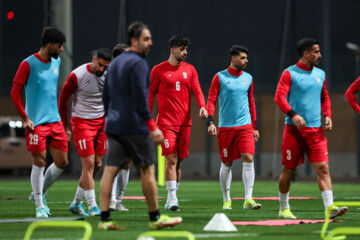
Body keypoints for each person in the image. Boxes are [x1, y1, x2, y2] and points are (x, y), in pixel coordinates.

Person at [98, 21, 182, 230]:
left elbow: (106, 96)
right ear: (134, 41)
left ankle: (104, 219)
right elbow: (140, 99)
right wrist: (151, 126)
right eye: (146, 39)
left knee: (109, 171)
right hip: (134, 126)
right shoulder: (138, 64)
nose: (150, 43)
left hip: (114, 125)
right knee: (146, 170)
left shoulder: (115, 63)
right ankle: (155, 218)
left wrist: (111, 118)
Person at [275, 38, 348, 219]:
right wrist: (294, 115)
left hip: (315, 131)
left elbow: (324, 96)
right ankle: (284, 208)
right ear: (306, 53)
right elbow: (279, 97)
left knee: (323, 168)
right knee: (288, 170)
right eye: (316, 52)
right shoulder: (289, 73)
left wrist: (328, 115)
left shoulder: (320, 74)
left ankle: (329, 208)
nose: (319, 55)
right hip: (293, 131)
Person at [10, 27, 68, 218]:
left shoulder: (57, 62)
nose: (61, 50)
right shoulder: (28, 64)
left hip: (55, 121)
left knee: (62, 162)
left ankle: (40, 192)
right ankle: (39, 205)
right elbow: (14, 93)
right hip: (36, 124)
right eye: (59, 46)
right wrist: (25, 118)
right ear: (50, 45)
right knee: (40, 161)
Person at [148, 34, 207, 211]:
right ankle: (172, 198)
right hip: (166, 124)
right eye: (182, 49)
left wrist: (203, 106)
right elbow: (150, 94)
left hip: (185, 123)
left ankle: (172, 196)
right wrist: (148, 119)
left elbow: (197, 90)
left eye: (186, 49)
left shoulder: (190, 70)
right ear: (172, 50)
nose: (185, 52)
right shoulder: (158, 70)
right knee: (171, 159)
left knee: (179, 162)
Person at [207, 45, 262, 211]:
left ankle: (248, 199)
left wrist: (254, 126)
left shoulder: (248, 78)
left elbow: (251, 102)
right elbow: (211, 100)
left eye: (246, 58)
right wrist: (210, 121)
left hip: (245, 127)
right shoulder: (220, 77)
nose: (246, 61)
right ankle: (226, 199)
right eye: (243, 58)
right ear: (233, 58)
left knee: (248, 157)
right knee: (227, 163)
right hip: (226, 128)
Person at [58, 48, 112, 216]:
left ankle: (76, 203)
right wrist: (65, 126)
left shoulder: (108, 75)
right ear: (93, 59)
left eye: (106, 67)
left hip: (101, 123)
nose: (102, 70)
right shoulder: (77, 75)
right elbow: (62, 100)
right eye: (100, 65)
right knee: (88, 164)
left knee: (97, 165)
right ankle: (93, 205)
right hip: (82, 123)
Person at [108, 43, 131, 212]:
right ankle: (110, 200)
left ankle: (118, 199)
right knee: (112, 161)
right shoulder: (107, 76)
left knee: (126, 163)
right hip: (110, 124)